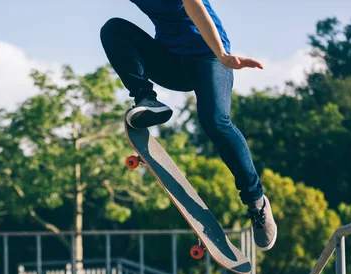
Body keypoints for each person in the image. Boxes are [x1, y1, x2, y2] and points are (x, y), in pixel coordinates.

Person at [100, 0, 277, 250]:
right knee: (113, 29)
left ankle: (256, 200)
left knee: (214, 121)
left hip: (211, 57)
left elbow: (195, 7)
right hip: (171, 62)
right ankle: (146, 99)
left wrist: (222, 54)